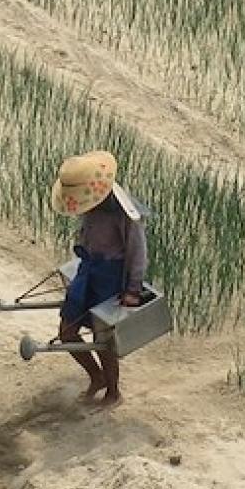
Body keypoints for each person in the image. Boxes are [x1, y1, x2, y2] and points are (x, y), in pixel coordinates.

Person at [50, 149, 149, 405]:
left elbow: (138, 253)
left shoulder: (124, 213)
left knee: (104, 340)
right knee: (67, 331)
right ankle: (96, 376)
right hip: (88, 271)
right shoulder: (90, 208)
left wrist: (132, 291)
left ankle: (113, 392)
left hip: (111, 277)